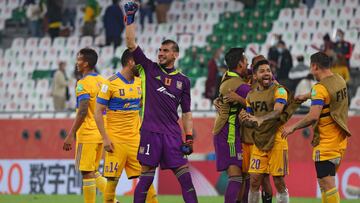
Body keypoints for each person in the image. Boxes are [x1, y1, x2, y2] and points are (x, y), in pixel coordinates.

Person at [123, 2, 198, 202]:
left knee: (186, 180)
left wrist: (189, 137)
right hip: (150, 132)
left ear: (175, 54)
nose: (161, 53)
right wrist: (130, 18)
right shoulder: (149, 68)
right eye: (160, 50)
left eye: (165, 50)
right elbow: (131, 44)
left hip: (173, 135)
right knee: (145, 180)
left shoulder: (184, 81)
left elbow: (187, 113)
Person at [282, 52, 351, 203]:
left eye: (310, 67)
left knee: (328, 184)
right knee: (324, 184)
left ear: (314, 66)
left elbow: (313, 116)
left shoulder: (319, 89)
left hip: (326, 144)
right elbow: (327, 94)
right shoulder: (339, 80)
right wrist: (306, 96)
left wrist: (291, 128)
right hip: (340, 141)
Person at [94, 49, 158, 203]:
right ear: (130, 62)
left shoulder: (139, 82)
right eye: (139, 63)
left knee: (147, 179)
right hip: (116, 142)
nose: (142, 66)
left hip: (135, 140)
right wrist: (105, 139)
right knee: (112, 183)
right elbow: (97, 112)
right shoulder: (110, 84)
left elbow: (142, 103)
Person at [62, 48, 109, 203]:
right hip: (101, 133)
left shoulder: (82, 83)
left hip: (87, 133)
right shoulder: (103, 81)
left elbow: (82, 111)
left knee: (86, 172)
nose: (77, 62)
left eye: (80, 59)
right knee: (92, 171)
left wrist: (71, 134)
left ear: (86, 63)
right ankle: (113, 200)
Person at [241, 59, 291, 203]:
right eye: (262, 71)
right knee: (255, 181)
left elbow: (277, 112)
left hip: (277, 140)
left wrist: (259, 118)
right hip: (259, 142)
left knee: (278, 180)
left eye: (268, 70)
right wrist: (244, 119)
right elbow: (251, 122)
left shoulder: (280, 90)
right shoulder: (250, 96)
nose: (267, 73)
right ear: (255, 76)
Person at [212, 48, 251, 203]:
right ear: (240, 64)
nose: (248, 65)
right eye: (246, 62)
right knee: (236, 175)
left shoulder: (228, 76)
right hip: (228, 133)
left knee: (244, 175)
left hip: (232, 131)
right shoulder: (238, 85)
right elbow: (259, 101)